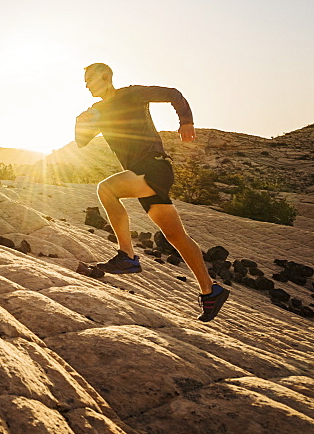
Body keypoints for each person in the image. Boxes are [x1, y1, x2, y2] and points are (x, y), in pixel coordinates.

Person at [74, 63, 230, 322]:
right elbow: (82, 142)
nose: (86, 85)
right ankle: (210, 291)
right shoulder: (97, 111)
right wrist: (80, 123)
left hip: (155, 166)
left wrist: (186, 122)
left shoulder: (131, 94)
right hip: (142, 173)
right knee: (177, 237)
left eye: (89, 79)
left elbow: (173, 94)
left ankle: (127, 256)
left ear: (105, 77)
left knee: (106, 189)